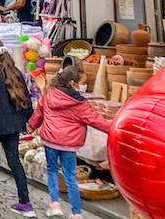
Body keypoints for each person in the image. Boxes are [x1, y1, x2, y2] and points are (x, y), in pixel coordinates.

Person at [28, 65, 111, 219]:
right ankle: (76, 213)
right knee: (70, 177)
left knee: (52, 170)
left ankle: (55, 205)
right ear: (73, 83)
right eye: (82, 83)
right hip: (69, 144)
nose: (83, 86)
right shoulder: (80, 103)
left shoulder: (49, 94)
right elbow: (95, 120)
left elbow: (39, 112)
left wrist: (31, 126)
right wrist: (114, 129)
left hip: (50, 141)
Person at [0, 37, 35, 215]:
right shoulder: (15, 71)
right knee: (14, 161)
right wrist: (27, 120)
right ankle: (25, 202)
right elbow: (26, 99)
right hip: (13, 124)